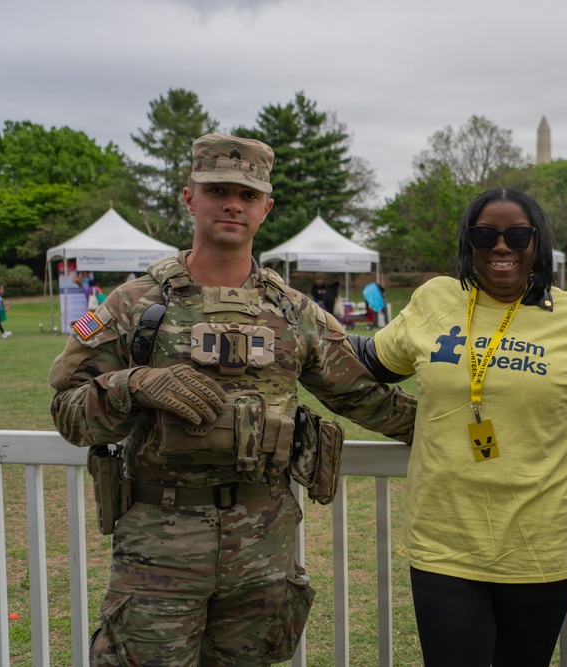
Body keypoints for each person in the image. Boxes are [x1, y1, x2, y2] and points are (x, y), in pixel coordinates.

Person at [48, 134, 417, 666]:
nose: (231, 205)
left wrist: (451, 426)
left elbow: (365, 398)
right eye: (217, 189)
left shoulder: (296, 314)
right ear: (188, 197)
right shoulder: (133, 305)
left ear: (265, 208)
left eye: (246, 196)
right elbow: (68, 412)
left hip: (263, 547)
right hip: (159, 549)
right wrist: (132, 385)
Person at [348, 188, 567, 667]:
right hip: (444, 542)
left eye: (518, 235)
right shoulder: (436, 298)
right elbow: (368, 361)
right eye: (484, 234)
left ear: (539, 243)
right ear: (467, 241)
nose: (501, 247)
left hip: (540, 547)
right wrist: (293, 326)